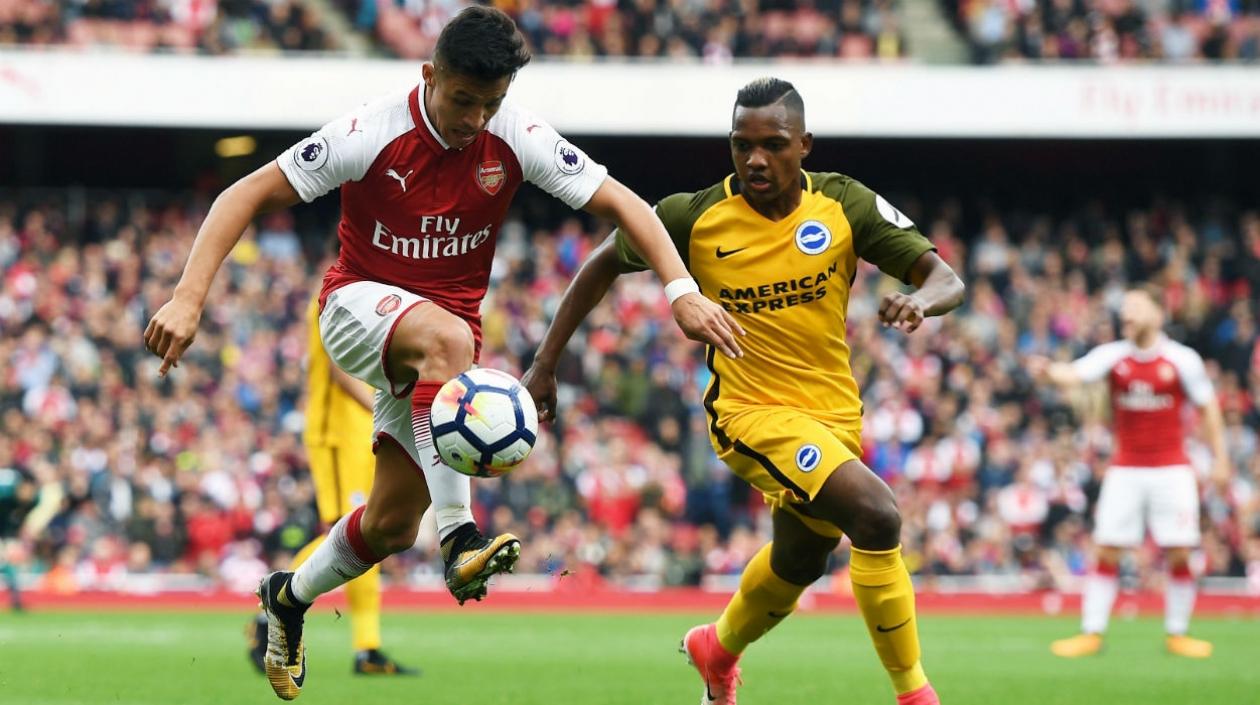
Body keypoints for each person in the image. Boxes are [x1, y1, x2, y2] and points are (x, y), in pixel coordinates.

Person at [143, 6, 742, 700]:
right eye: (462, 99)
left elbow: (626, 204)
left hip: (439, 349)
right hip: (357, 308)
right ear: (429, 76)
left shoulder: (514, 135)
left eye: (491, 103)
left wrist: (678, 291)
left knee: (392, 523)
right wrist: (189, 296)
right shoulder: (371, 131)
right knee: (452, 338)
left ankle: (288, 596)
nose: (475, 118)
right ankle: (459, 539)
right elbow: (245, 191)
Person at [523, 77, 963, 705]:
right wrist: (545, 363)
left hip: (833, 413)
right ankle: (914, 694)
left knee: (803, 559)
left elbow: (945, 278)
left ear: (804, 144)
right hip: (750, 413)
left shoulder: (844, 206)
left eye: (774, 144)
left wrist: (919, 301)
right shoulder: (693, 216)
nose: (756, 159)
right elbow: (600, 265)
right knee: (875, 513)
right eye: (741, 145)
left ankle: (716, 648)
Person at [1030, 286, 1230, 659]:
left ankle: (1178, 632)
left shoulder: (1182, 360)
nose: (1128, 315)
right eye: (1124, 310)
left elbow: (1209, 409)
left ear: (1158, 312)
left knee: (1179, 551)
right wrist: (1049, 371)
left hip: (1172, 469)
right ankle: (1092, 632)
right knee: (1106, 548)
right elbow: (1075, 374)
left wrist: (1221, 460)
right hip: (1126, 468)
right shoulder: (1114, 355)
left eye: (1136, 308)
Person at [247, 293, 417, 677]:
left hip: (359, 433)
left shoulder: (368, 294)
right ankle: (271, 609)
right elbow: (341, 373)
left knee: (364, 530)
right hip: (339, 434)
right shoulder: (337, 297)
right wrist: (386, 406)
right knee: (352, 530)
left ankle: (366, 647)